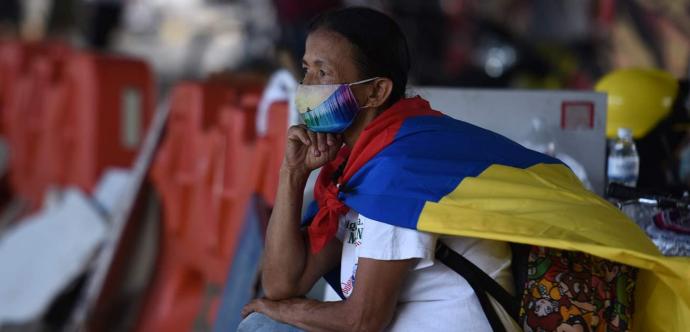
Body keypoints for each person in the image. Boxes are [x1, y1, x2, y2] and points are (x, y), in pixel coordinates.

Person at [238, 7, 527, 331]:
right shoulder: (354, 167)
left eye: (323, 73)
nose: (306, 86)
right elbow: (281, 286)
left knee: (265, 327)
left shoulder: (400, 168)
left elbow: (363, 321)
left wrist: (282, 311)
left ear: (376, 91)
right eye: (306, 70)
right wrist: (291, 175)